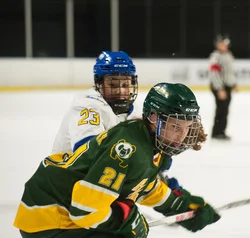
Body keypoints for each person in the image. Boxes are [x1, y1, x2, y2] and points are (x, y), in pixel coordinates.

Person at [13, 82, 221, 238]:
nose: (182, 136)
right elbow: (84, 211)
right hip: (49, 218)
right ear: (155, 118)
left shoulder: (148, 142)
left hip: (60, 213)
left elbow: (144, 187)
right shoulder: (129, 149)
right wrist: (123, 221)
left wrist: (182, 205)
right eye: (176, 126)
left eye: (186, 127)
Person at [51, 50, 138, 154]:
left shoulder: (133, 110)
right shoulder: (87, 106)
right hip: (68, 169)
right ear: (99, 83)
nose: (121, 91)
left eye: (126, 85)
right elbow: (87, 152)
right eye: (113, 85)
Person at [209, 34, 237, 140]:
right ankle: (217, 132)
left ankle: (221, 131)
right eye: (221, 44)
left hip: (227, 86)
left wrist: (234, 84)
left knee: (224, 110)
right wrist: (219, 88)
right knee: (221, 109)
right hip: (220, 87)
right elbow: (214, 74)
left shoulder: (228, 55)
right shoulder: (216, 56)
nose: (224, 46)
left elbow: (230, 72)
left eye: (225, 44)